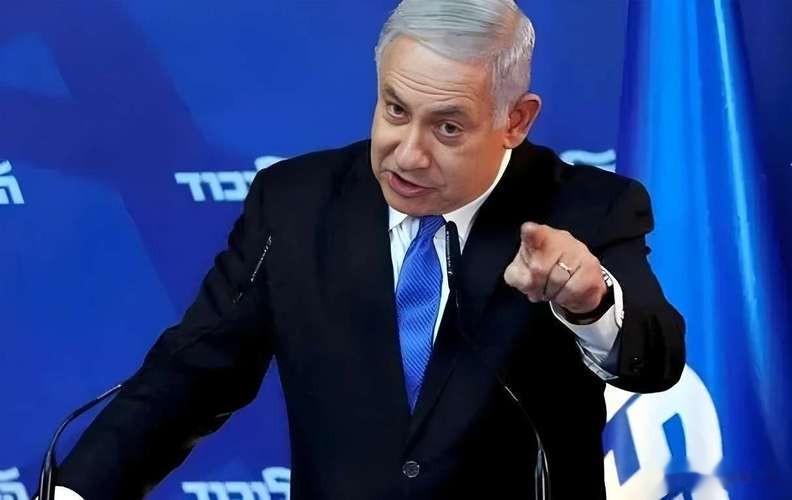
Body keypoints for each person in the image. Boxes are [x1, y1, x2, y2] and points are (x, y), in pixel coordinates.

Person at [53, 0, 685, 498]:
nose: (408, 155)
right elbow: (193, 373)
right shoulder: (295, 203)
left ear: (515, 120)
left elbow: (653, 361)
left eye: (447, 127)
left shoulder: (585, 208)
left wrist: (590, 302)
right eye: (395, 110)